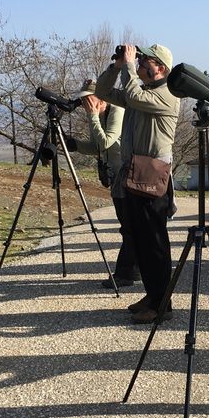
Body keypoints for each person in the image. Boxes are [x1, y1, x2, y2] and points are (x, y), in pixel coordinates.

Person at [95, 44, 179, 324]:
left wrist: (129, 67)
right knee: (140, 240)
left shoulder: (168, 94)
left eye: (147, 61)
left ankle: (161, 304)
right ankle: (152, 295)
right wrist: (117, 66)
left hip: (153, 176)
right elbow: (103, 93)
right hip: (135, 172)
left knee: (155, 243)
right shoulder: (140, 91)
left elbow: (132, 94)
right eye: (140, 59)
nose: (141, 63)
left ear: (162, 69)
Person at [68, 79, 135, 288]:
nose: (86, 104)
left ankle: (127, 273)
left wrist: (93, 116)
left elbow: (106, 141)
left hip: (128, 176)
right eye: (84, 102)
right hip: (115, 177)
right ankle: (134, 271)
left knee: (130, 227)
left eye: (89, 99)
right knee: (128, 227)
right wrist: (73, 144)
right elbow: (98, 148)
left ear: (101, 98)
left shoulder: (116, 110)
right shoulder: (99, 114)